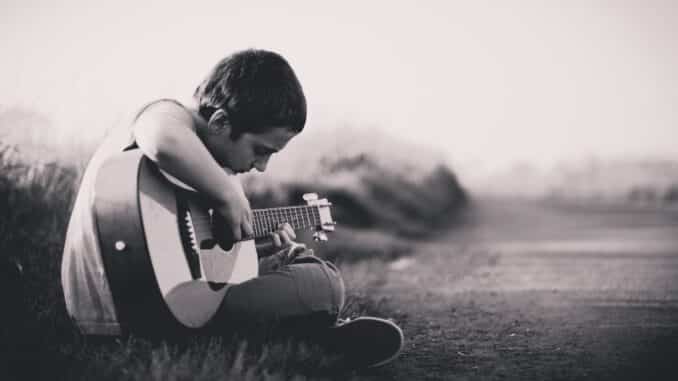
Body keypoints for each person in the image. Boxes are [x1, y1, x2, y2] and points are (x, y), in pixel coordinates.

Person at [61, 49, 402, 368]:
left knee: (290, 259)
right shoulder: (165, 114)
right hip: (128, 311)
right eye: (260, 149)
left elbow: (191, 260)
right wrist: (228, 195)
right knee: (325, 282)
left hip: (147, 305)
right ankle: (303, 332)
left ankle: (292, 334)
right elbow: (162, 139)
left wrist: (258, 250)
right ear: (221, 121)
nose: (262, 166)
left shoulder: (202, 164)